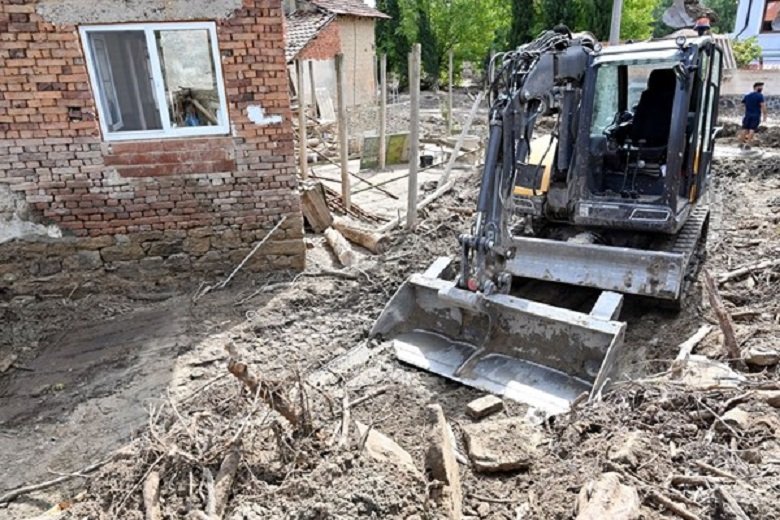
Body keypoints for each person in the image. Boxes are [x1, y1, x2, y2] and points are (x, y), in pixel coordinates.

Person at [740, 82, 767, 150]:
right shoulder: (760, 96)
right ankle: (748, 144)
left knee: (745, 129)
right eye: (761, 87)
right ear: (756, 87)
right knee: (752, 129)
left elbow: (742, 105)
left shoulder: (747, 96)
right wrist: (765, 116)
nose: (762, 88)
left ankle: (741, 143)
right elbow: (763, 106)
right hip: (755, 115)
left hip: (747, 115)